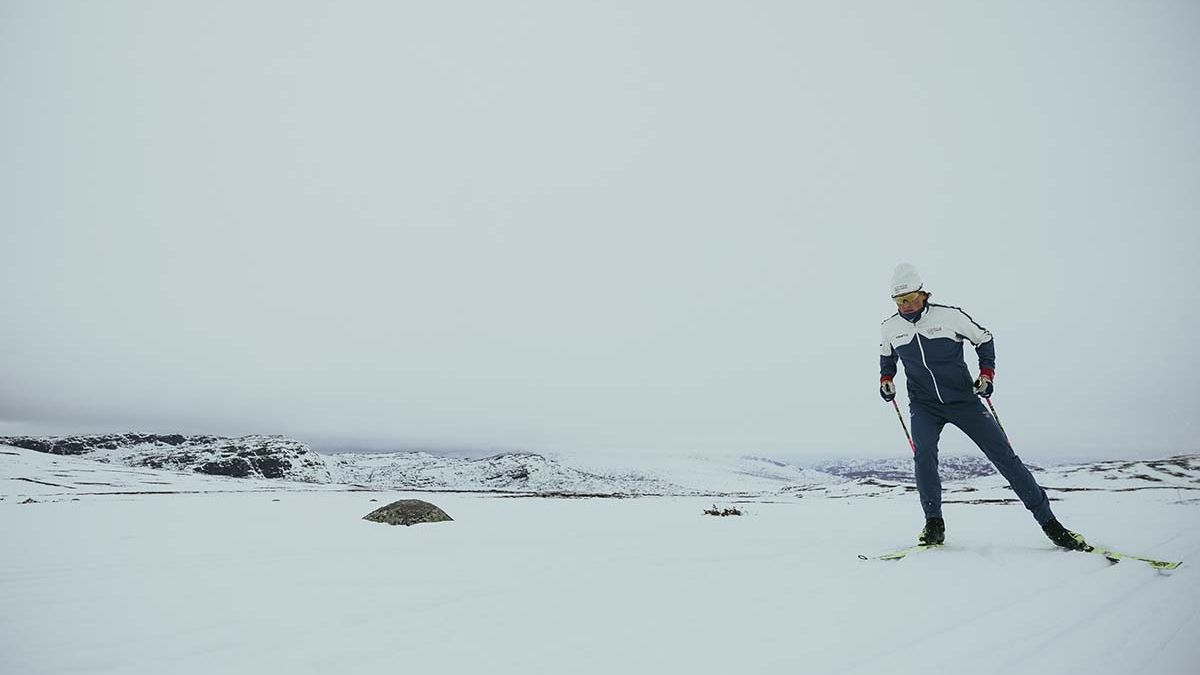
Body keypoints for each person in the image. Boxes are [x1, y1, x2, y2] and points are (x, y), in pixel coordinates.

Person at [878, 263, 1087, 550]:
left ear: (923, 294)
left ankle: (1051, 524)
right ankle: (934, 524)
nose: (906, 305)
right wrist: (886, 379)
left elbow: (984, 339)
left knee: (1004, 456)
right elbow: (887, 358)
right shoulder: (890, 328)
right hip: (924, 405)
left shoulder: (950, 317)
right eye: (900, 300)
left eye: (911, 298)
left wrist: (986, 375)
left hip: (963, 401)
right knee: (923, 456)